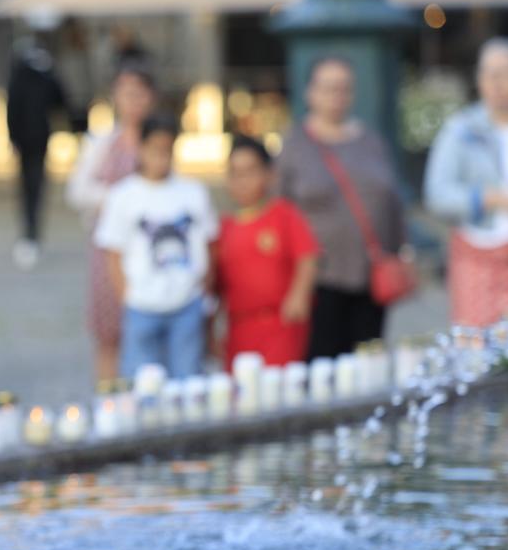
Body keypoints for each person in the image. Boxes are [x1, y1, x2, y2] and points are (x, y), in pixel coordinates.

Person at [277, 57, 407, 359]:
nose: (336, 96)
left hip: (370, 275)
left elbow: (392, 201)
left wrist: (401, 252)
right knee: (322, 366)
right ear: (310, 92)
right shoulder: (295, 145)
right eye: (328, 88)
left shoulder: (372, 142)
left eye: (344, 88)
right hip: (318, 281)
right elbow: (280, 208)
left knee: (368, 363)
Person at [94, 114, 217, 378]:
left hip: (186, 301)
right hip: (142, 304)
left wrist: (203, 289)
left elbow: (209, 243)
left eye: (167, 150)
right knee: (142, 380)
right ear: (141, 148)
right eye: (154, 150)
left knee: (187, 377)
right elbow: (113, 252)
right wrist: (127, 295)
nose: (161, 158)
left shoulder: (193, 192)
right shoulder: (123, 196)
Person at [425, 37, 508, 327]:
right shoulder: (462, 130)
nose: (496, 83)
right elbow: (438, 194)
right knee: (480, 353)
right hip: (479, 255)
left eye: (504, 73)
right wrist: (488, 198)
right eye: (488, 73)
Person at [66, 62, 157, 381]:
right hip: (110, 250)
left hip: (150, 249)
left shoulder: (157, 143)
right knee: (109, 334)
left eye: (139, 94)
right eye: (126, 93)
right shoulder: (103, 143)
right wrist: (121, 200)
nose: (133, 101)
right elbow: (78, 190)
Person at [214, 136, 320, 367]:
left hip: (280, 323)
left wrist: (299, 294)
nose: (242, 181)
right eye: (235, 173)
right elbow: (216, 285)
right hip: (239, 327)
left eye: (250, 171)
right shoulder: (223, 228)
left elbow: (307, 256)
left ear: (269, 174)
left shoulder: (283, 214)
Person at [7, 41, 70, 270]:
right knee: (31, 187)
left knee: (32, 187)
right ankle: (30, 232)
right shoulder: (32, 76)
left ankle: (31, 232)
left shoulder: (32, 76)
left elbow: (59, 101)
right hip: (31, 140)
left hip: (34, 140)